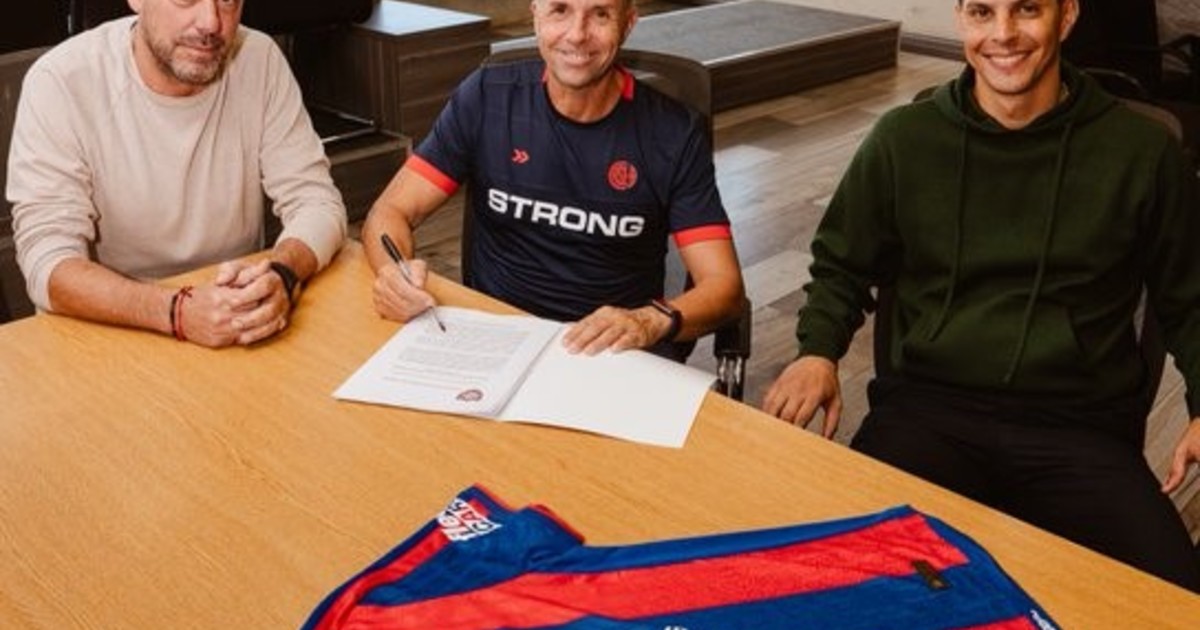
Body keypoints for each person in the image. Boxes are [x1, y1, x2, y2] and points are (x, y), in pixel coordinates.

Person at [762, 0, 1200, 591]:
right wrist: (817, 351)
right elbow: (842, 264)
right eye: (982, 12)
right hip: (927, 415)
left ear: (1067, 15)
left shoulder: (1142, 152)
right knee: (829, 589)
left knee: (1175, 600)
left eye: (1027, 10)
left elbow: (1189, 300)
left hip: (1077, 428)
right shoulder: (905, 139)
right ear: (961, 19)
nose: (1003, 34)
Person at [361, 0, 743, 358]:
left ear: (628, 24)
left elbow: (723, 286)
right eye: (560, 9)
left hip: (610, 353)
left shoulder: (674, 133)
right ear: (536, 15)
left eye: (600, 14)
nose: (577, 35)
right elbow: (390, 211)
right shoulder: (487, 97)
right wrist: (393, 274)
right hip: (495, 340)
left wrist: (649, 321)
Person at [7, 0, 347, 347]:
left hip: (232, 324)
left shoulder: (259, 59)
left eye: (228, 1)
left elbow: (316, 201)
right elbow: (47, 262)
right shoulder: (62, 81)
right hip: (107, 329)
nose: (211, 22)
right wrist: (176, 311)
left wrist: (282, 272)